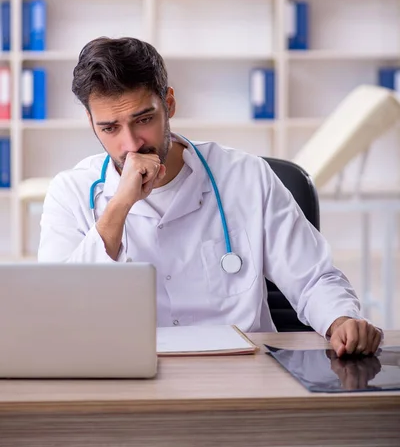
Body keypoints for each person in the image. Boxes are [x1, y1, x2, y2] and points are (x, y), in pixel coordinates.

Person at [38, 37, 382, 357]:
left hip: (244, 375)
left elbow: (313, 277)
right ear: (91, 122)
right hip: (128, 376)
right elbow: (57, 309)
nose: (130, 144)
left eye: (143, 119)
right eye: (109, 128)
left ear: (169, 104)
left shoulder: (246, 176)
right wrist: (120, 205)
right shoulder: (70, 193)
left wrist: (340, 320)